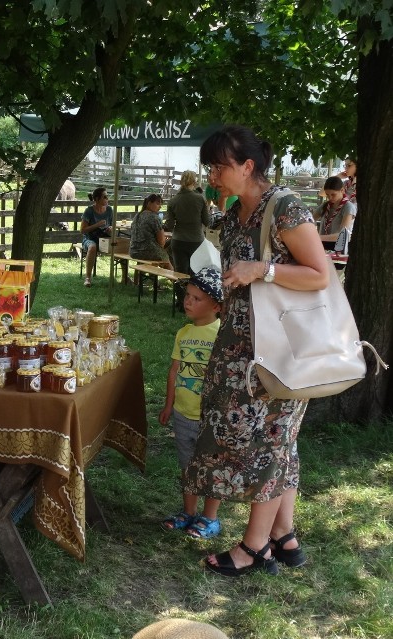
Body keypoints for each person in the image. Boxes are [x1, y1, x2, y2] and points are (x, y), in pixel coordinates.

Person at [184, 125, 329, 577]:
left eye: (219, 165)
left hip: (280, 351)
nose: (212, 174)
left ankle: (254, 548)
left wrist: (261, 270)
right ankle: (285, 538)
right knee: (273, 443)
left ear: (248, 166)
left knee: (269, 444)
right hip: (241, 349)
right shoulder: (233, 214)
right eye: (209, 166)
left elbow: (319, 274)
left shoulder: (284, 207)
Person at [158, 267, 223, 539]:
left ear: (217, 306)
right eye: (187, 296)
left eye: (197, 298)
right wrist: (168, 404)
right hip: (183, 414)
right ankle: (188, 512)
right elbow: (175, 370)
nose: (188, 302)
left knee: (210, 467)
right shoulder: (183, 333)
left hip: (211, 418)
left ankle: (210, 518)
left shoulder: (222, 334)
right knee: (187, 465)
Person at [164, 170, 211, 276]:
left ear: (181, 182)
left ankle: (180, 293)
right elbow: (207, 221)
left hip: (178, 240)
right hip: (196, 241)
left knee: (180, 274)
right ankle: (193, 293)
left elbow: (169, 225)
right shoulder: (200, 199)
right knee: (196, 273)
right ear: (194, 182)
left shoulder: (173, 201)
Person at [80, 186, 113, 287]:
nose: (107, 199)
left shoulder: (109, 210)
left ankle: (125, 277)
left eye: (107, 197)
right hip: (89, 239)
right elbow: (82, 230)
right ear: (97, 199)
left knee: (119, 245)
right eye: (105, 197)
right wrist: (97, 225)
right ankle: (88, 278)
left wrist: (110, 229)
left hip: (104, 238)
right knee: (93, 247)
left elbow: (111, 225)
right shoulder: (89, 211)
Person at [314, 176, 356, 249]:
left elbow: (342, 234)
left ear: (342, 190)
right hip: (322, 245)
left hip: (339, 248)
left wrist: (318, 237)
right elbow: (310, 219)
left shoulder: (348, 207)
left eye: (333, 195)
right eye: (327, 195)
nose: (330, 198)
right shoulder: (326, 205)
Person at [130, 193, 171, 267]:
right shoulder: (154, 217)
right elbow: (161, 242)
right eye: (158, 203)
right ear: (149, 203)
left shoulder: (137, 215)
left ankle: (141, 277)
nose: (160, 206)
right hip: (148, 251)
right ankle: (174, 278)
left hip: (134, 251)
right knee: (165, 257)